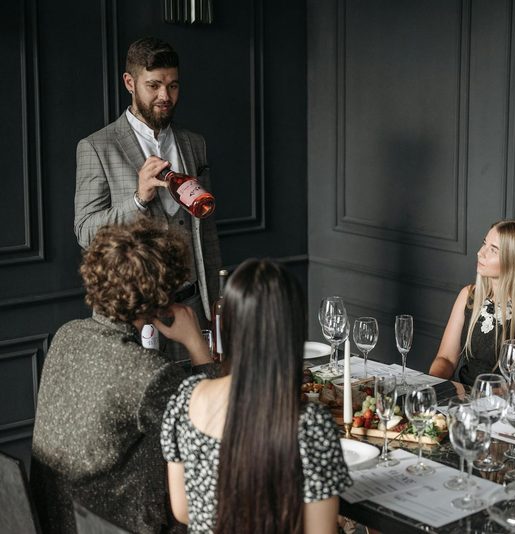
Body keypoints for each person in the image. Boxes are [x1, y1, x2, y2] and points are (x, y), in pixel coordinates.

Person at [30, 219, 216, 533]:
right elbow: (213, 428)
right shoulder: (147, 374)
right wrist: (196, 343)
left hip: (53, 521)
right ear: (162, 296)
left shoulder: (67, 335)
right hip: (109, 526)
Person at [160, 259, 351, 533]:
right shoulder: (309, 425)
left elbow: (182, 510)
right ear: (293, 331)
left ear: (227, 326)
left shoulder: (185, 399)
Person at [74, 36, 221, 343]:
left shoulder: (195, 144)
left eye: (173, 86)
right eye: (154, 85)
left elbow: (206, 234)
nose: (165, 96)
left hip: (192, 307)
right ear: (130, 82)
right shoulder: (97, 147)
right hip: (134, 315)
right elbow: (86, 233)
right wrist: (139, 199)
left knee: (196, 389)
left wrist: (215, 306)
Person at [428, 219, 515, 385]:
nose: (480, 252)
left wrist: (480, 398)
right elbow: (445, 358)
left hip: (502, 407)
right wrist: (430, 385)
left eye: (493, 250)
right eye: (484, 244)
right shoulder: (469, 295)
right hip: (462, 402)